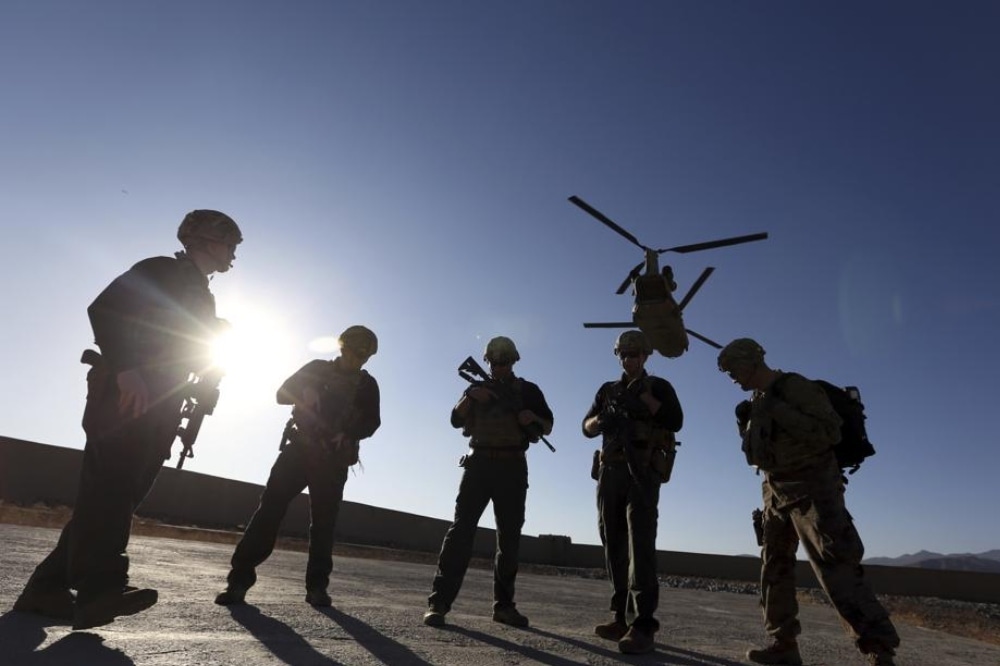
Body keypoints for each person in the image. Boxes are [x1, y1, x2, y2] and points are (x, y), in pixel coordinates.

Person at [13, 210, 242, 630]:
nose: (234, 253)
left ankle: (44, 590)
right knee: (113, 490)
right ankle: (103, 589)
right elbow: (106, 309)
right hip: (128, 393)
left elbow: (189, 348)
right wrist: (126, 368)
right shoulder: (161, 270)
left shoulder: (200, 294)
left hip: (160, 401)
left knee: (113, 497)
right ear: (207, 240)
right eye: (230, 244)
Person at [717, 338, 900, 666]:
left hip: (814, 491)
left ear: (752, 361)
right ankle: (783, 644)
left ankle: (879, 650)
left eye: (734, 369)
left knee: (836, 567)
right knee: (774, 568)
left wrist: (777, 409)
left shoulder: (795, 387)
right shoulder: (755, 402)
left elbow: (829, 432)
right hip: (774, 493)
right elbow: (754, 457)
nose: (732, 377)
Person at [215, 325, 381, 607]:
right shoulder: (316, 368)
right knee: (269, 510)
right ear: (343, 348)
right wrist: (305, 390)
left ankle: (317, 588)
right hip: (300, 450)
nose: (358, 361)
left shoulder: (367, 385)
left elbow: (372, 422)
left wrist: (349, 434)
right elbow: (281, 394)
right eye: (355, 354)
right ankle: (239, 581)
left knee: (324, 524)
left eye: (364, 358)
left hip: (332, 459)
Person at [423, 336, 553, 628]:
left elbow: (548, 426)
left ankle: (504, 607)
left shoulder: (528, 391)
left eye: (503, 362)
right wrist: (470, 398)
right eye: (493, 362)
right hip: (478, 464)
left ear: (513, 361)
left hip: (512, 466)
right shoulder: (476, 387)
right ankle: (439, 603)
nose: (498, 367)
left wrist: (530, 417)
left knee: (509, 538)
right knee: (460, 532)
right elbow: (455, 420)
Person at [581, 330, 683, 655]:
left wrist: (645, 401)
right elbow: (585, 426)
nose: (629, 360)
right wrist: (601, 421)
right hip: (610, 471)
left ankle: (643, 625)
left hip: (642, 471)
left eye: (635, 354)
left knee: (640, 543)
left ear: (645, 356)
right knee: (612, 542)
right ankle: (619, 616)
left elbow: (675, 420)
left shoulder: (659, 387)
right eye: (624, 355)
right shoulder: (608, 390)